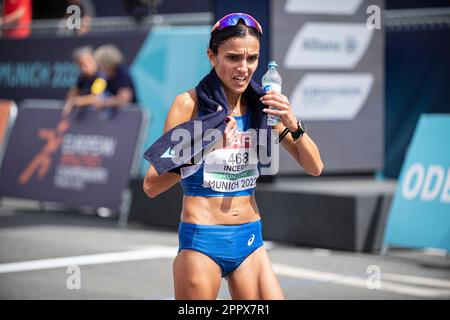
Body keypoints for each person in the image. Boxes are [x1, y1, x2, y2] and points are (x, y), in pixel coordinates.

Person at [143, 13, 323, 300]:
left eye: (252, 59)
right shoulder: (188, 105)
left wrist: (292, 121)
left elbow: (315, 167)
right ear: (212, 56)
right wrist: (205, 144)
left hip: (250, 239)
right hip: (203, 241)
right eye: (233, 58)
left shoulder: (263, 107)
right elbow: (152, 184)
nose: (244, 68)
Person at [62, 46, 101, 117]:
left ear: (92, 60)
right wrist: (70, 101)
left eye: (84, 64)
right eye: (80, 65)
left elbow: (96, 97)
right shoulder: (82, 77)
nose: (82, 68)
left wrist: (78, 101)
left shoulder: (101, 76)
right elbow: (73, 92)